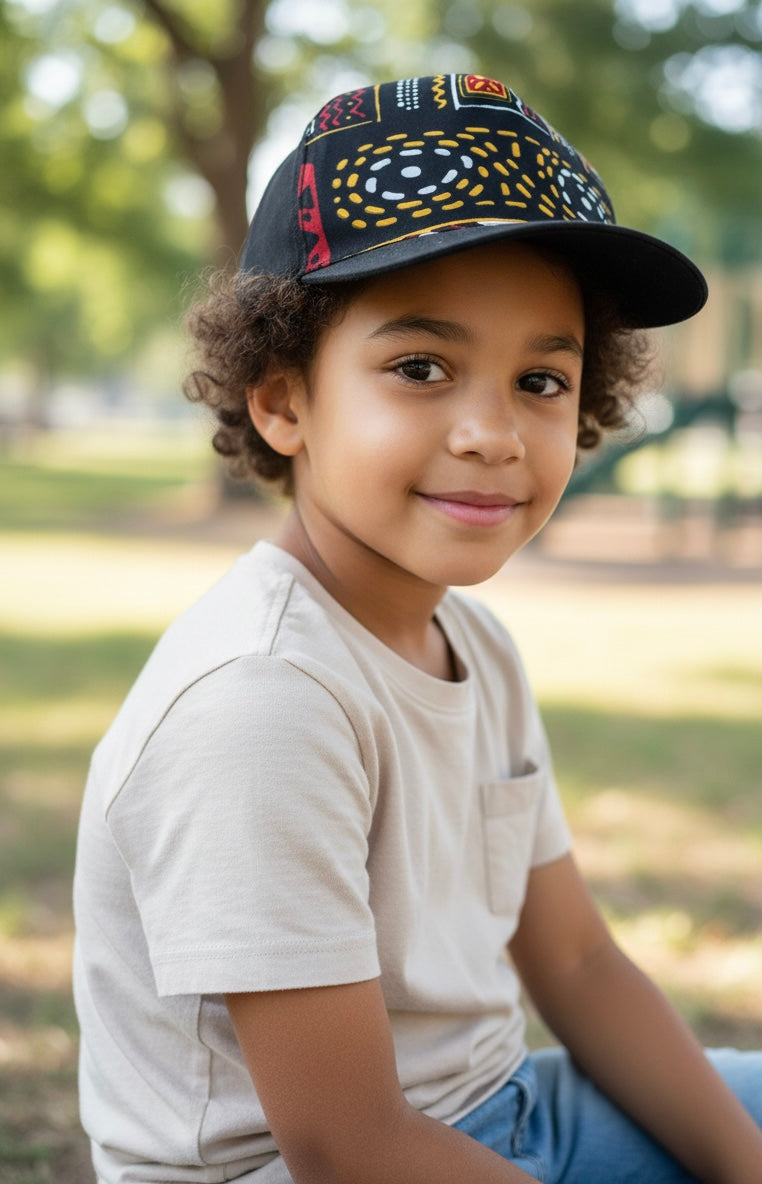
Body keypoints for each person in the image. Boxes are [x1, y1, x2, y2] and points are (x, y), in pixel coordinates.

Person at [73, 73, 762, 1184]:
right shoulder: (261, 698)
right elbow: (348, 1144)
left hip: (507, 1112)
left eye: (541, 377)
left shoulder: (475, 647)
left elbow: (579, 961)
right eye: (421, 368)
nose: (493, 431)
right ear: (282, 397)